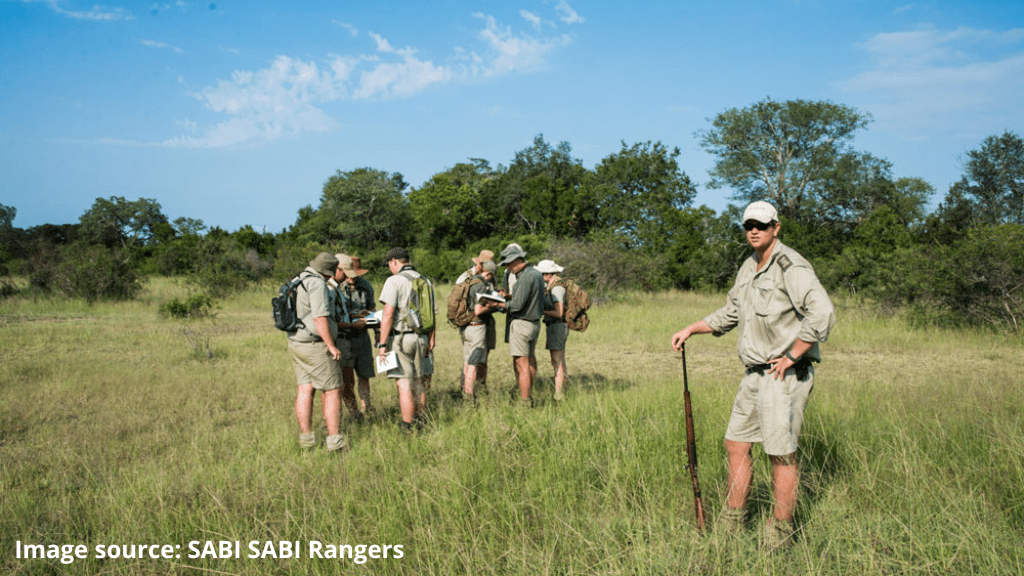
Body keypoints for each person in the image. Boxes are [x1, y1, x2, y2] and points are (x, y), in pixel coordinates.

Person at [670, 201, 836, 549]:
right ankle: (733, 523)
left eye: (761, 224)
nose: (754, 230)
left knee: (780, 452)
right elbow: (731, 312)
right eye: (748, 225)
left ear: (776, 226)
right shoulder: (748, 266)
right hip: (753, 375)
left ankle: (779, 534)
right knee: (736, 443)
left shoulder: (792, 266)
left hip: (782, 376)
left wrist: (793, 355)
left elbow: (822, 313)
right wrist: (691, 328)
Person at [288, 252, 347, 453]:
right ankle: (335, 443)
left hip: (297, 341)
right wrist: (331, 345)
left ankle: (307, 441)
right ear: (328, 271)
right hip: (315, 344)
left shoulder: (297, 279)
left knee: (305, 389)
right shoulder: (316, 284)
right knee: (332, 390)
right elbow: (320, 317)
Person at [377, 247, 436, 433]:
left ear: (395, 261)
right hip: (422, 338)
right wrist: (431, 339)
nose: (389, 269)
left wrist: (382, 344)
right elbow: (432, 314)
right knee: (419, 382)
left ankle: (407, 426)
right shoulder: (425, 280)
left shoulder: (393, 281)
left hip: (401, 339)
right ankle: (421, 421)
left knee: (403, 384)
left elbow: (387, 315)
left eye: (389, 265)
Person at [498, 243, 545, 405]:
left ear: (516, 260)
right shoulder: (536, 274)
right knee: (530, 360)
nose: (508, 268)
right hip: (534, 323)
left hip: (522, 323)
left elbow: (517, 306)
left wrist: (496, 304)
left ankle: (525, 400)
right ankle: (527, 394)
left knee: (521, 363)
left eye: (508, 264)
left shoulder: (525, 276)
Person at [333, 254, 377, 419]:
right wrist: (353, 316)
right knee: (347, 378)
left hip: (362, 336)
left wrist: (369, 317)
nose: (353, 278)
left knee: (365, 375)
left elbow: (373, 309)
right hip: (344, 337)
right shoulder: (337, 286)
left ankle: (367, 406)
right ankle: (352, 411)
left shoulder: (366, 286)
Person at [460, 260, 502, 401]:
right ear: (489, 274)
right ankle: (469, 397)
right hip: (477, 327)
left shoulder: (469, 281)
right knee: (474, 363)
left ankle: (464, 391)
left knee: (467, 361)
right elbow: (478, 310)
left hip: (466, 326)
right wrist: (493, 305)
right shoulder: (480, 286)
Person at [537, 259, 569, 401]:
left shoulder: (557, 288)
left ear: (547, 274)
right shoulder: (552, 285)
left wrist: (541, 311)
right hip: (554, 325)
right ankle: (561, 390)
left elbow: (559, 313)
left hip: (557, 325)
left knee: (557, 361)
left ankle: (559, 394)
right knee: (558, 359)